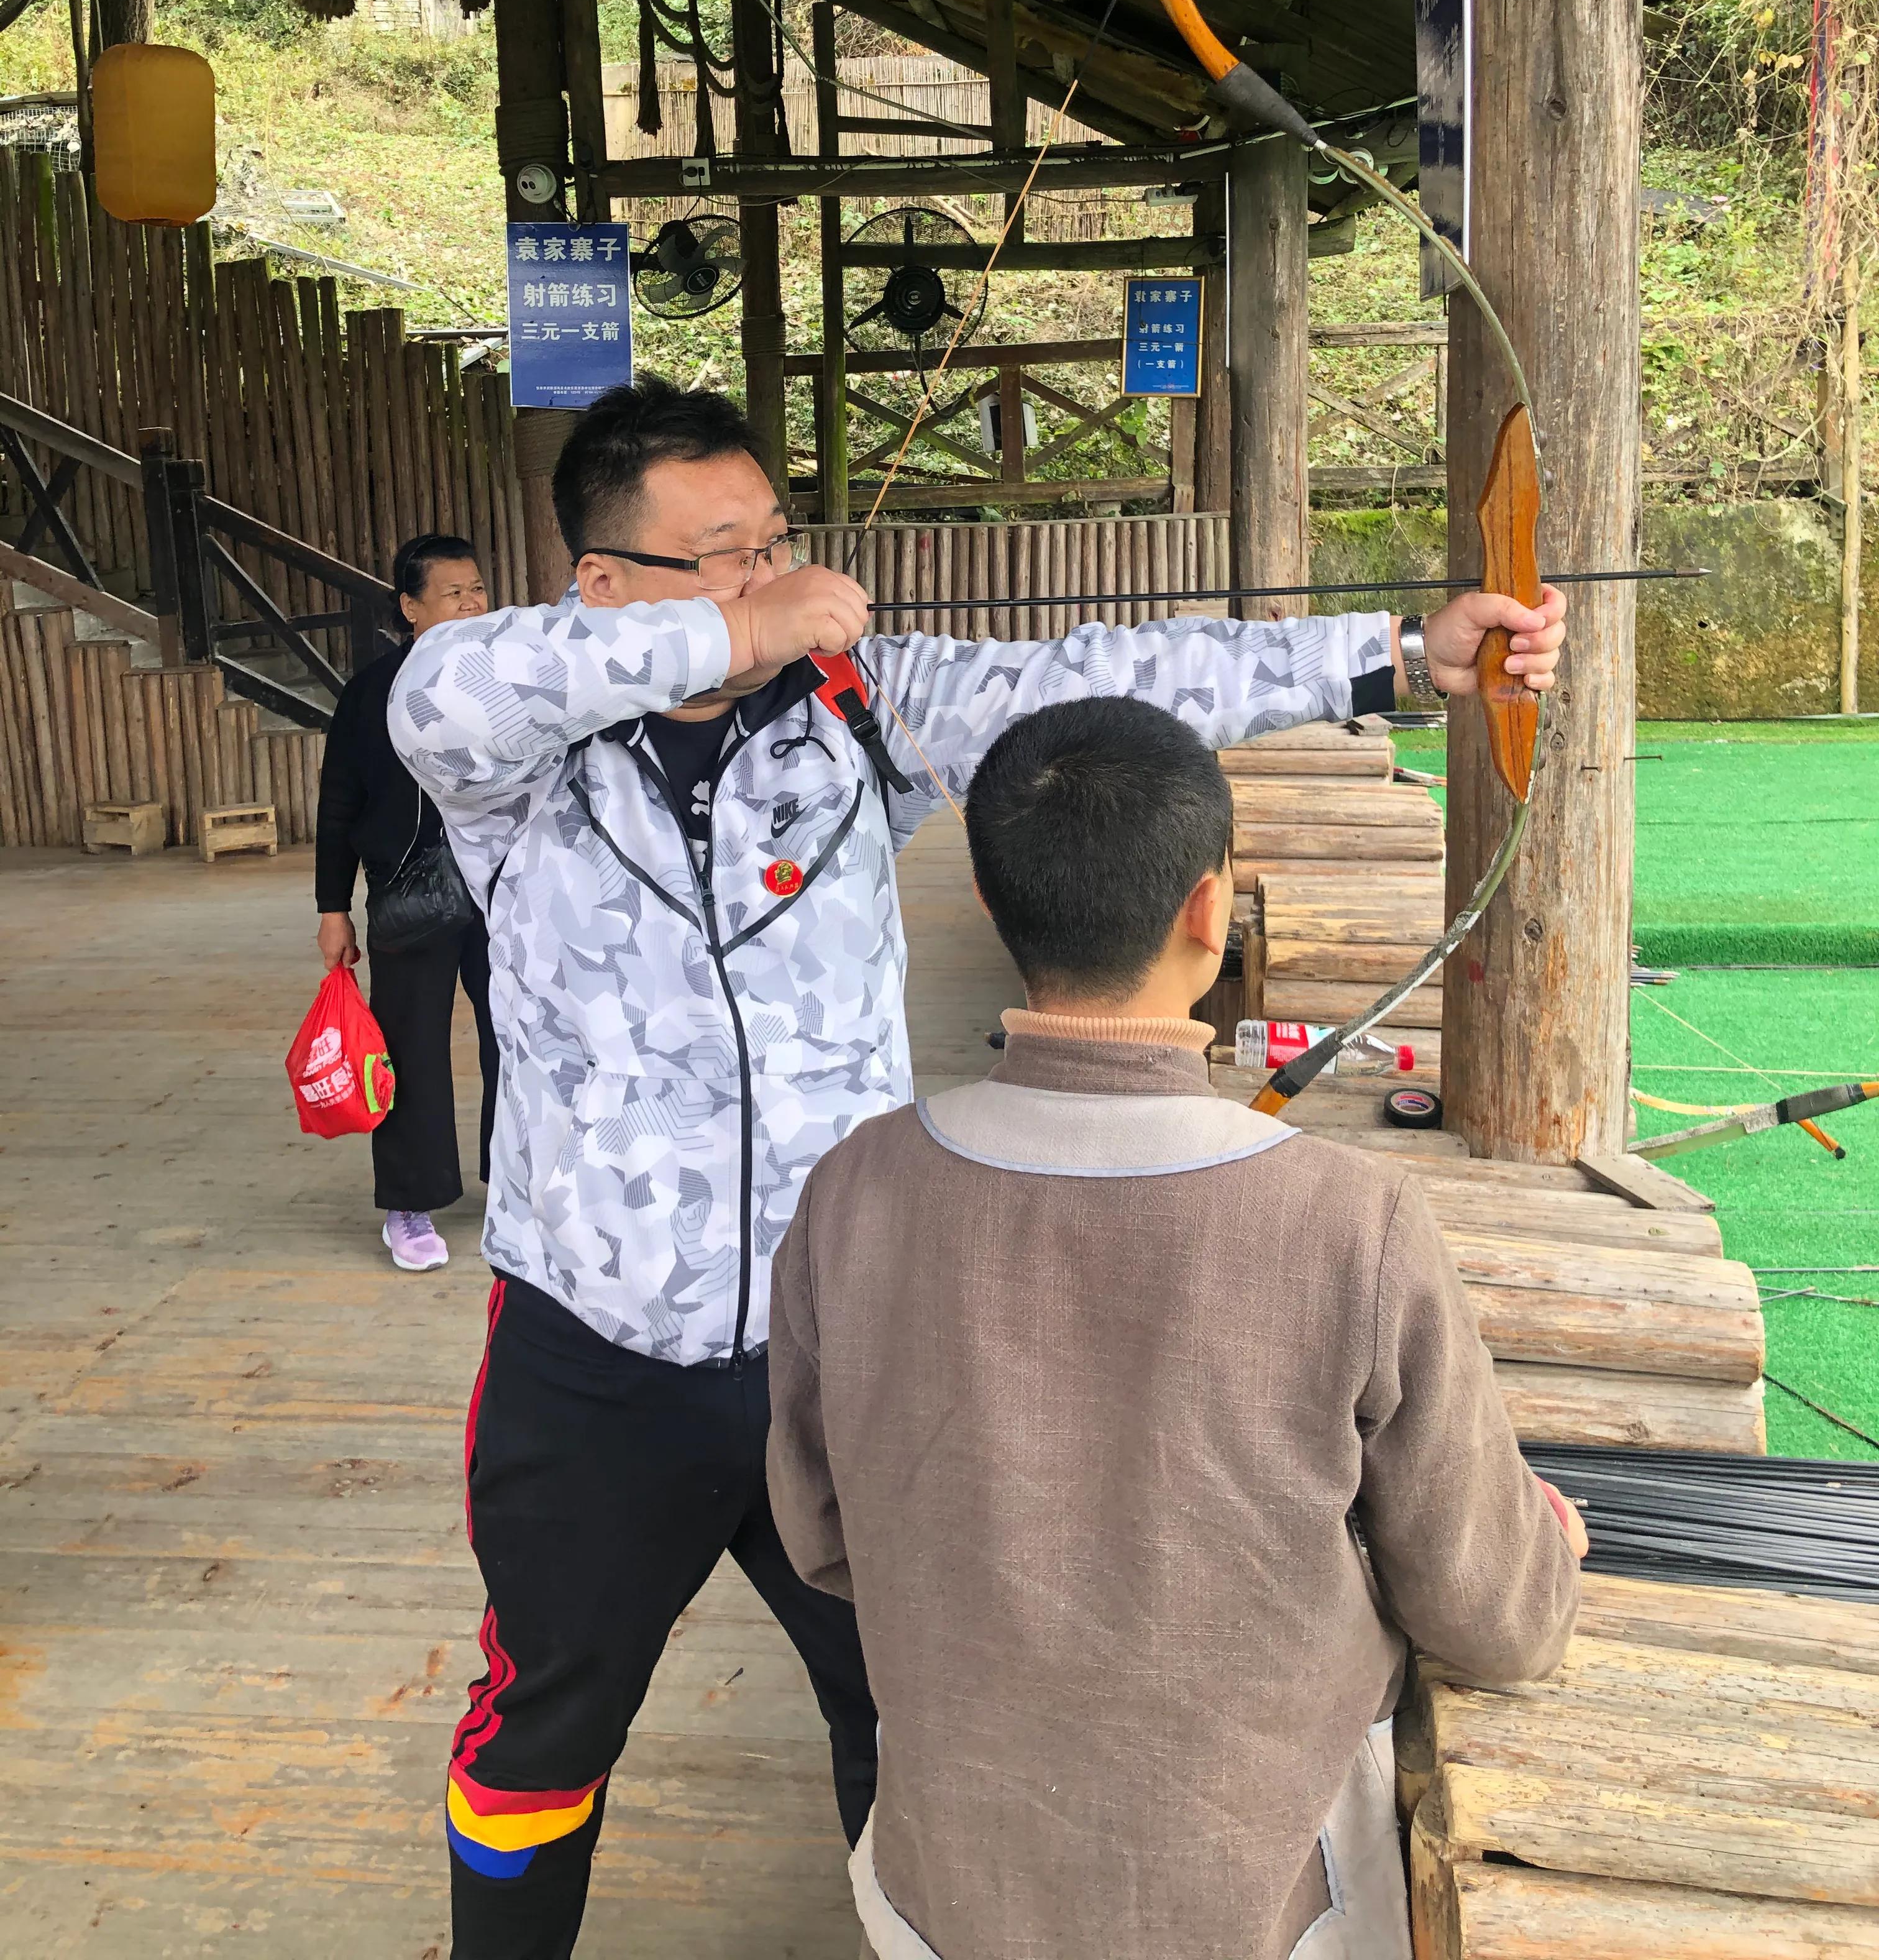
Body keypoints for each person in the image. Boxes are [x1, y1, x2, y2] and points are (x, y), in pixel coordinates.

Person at [385, 373, 1566, 1956]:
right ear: (602, 583)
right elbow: (440, 689)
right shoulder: (515, 755)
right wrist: (749, 623)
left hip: (854, 1335)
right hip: (591, 1354)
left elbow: (1101, 685)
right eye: (721, 550)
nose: (775, 576)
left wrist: (1390, 654)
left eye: (778, 541)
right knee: (538, 1738)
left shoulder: (853, 711)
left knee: (908, 1712)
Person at [767, 695, 1588, 1960]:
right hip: (1267, 1894)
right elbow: (1492, 1616)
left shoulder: (853, 1190)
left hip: (950, 1877)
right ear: (1210, 909)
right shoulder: (1347, 1217)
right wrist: (1545, 1548)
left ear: (990, 905)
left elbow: (821, 1537)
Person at [314, 533, 499, 1274]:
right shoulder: (371, 694)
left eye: (479, 589)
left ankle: (515, 1183)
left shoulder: (510, 683)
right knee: (408, 1052)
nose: (471, 604)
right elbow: (338, 806)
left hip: (504, 893)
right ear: (410, 607)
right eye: (452, 593)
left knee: (520, 1039)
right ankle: (410, 1201)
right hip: (409, 898)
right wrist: (334, 907)